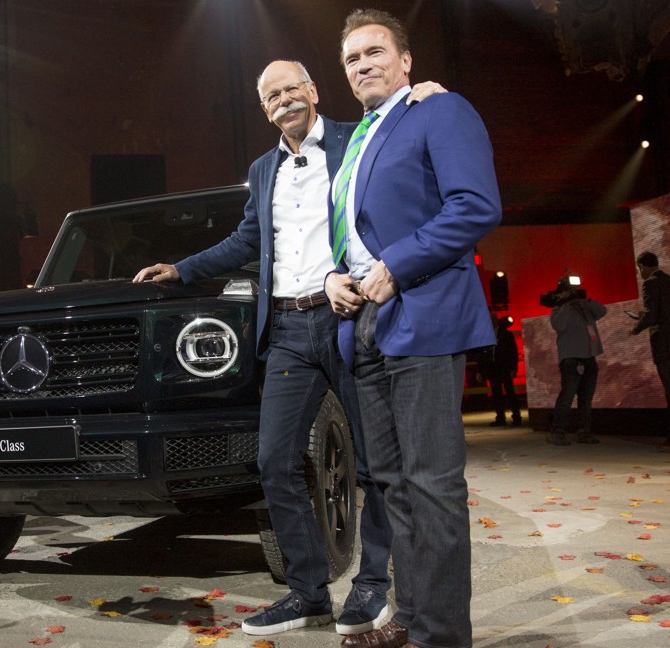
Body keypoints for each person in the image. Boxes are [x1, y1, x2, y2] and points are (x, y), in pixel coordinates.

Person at [135, 60, 445, 638]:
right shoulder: (263, 169)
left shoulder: (358, 139)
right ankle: (307, 592)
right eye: (271, 96)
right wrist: (180, 269)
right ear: (265, 109)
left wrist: (421, 98)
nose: (284, 101)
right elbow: (247, 240)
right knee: (274, 461)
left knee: (374, 464)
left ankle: (372, 584)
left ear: (313, 91)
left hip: (351, 319)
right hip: (286, 330)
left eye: (291, 89)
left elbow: (403, 162)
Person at [324, 9, 501, 648]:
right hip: (364, 321)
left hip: (422, 311)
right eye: (351, 59)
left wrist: (398, 265)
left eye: (375, 52)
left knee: (432, 485)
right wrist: (333, 279)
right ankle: (411, 616)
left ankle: (443, 635)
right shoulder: (356, 142)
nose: (363, 64)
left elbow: (475, 205)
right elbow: (352, 234)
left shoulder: (438, 111)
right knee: (392, 486)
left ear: (405, 61)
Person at [547, 279, 605, 446]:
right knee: (567, 396)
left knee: (586, 398)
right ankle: (558, 432)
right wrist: (565, 302)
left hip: (589, 356)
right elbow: (559, 326)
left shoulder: (584, 307)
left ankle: (584, 432)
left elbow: (602, 311)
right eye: (571, 290)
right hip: (571, 359)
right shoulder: (558, 309)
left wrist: (584, 300)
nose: (574, 292)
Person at [629, 251, 670, 448]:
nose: (640, 273)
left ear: (643, 266)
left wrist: (636, 328)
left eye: (639, 269)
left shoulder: (650, 283)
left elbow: (653, 316)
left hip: (664, 346)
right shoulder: (668, 281)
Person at [478, 315, 523, 427]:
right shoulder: (486, 336)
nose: (492, 322)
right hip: (492, 369)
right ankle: (500, 418)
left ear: (497, 321)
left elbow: (513, 352)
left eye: (493, 320)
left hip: (504, 367)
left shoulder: (506, 335)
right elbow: (482, 355)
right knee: (496, 394)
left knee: (510, 393)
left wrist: (513, 368)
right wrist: (480, 370)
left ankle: (516, 417)